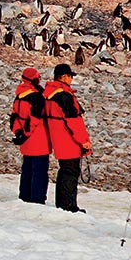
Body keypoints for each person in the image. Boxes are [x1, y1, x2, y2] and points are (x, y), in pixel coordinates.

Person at [43, 63, 92, 213]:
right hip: (68, 139)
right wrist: (84, 141)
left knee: (65, 170)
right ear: (64, 77)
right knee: (71, 171)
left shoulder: (48, 93)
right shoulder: (64, 96)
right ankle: (68, 206)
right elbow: (74, 121)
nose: (71, 80)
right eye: (70, 76)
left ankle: (62, 203)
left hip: (58, 138)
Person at [10, 67, 49, 204]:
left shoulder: (20, 95)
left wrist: (18, 132)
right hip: (39, 140)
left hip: (26, 142)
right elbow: (35, 118)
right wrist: (26, 133)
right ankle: (37, 199)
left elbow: (14, 117)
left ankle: (24, 196)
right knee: (39, 172)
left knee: (27, 170)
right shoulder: (36, 96)